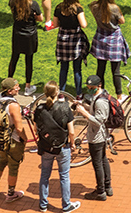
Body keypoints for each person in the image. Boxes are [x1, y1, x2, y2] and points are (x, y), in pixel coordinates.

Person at [0, 76, 35, 199]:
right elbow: (19, 128)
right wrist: (25, 139)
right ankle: (11, 194)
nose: (18, 88)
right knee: (13, 167)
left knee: (1, 161)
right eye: (16, 87)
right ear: (9, 91)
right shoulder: (13, 105)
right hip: (13, 140)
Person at [32, 82, 77, 213]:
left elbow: (36, 129)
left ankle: (43, 205)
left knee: (44, 175)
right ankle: (66, 205)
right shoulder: (65, 107)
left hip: (46, 147)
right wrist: (73, 143)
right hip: (62, 147)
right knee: (64, 176)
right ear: (57, 92)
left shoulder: (39, 109)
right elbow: (71, 131)